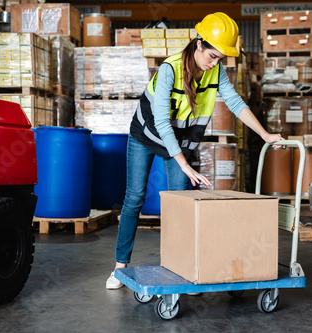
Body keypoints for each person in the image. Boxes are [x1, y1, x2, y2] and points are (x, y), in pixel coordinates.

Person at [106, 12, 284, 289]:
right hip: (147, 135)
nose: (215, 62)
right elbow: (163, 123)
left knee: (180, 203)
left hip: (180, 140)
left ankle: (181, 268)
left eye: (220, 59)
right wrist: (185, 165)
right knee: (134, 198)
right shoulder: (169, 69)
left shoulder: (216, 71)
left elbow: (236, 103)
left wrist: (264, 135)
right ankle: (119, 267)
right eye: (212, 56)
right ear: (199, 44)